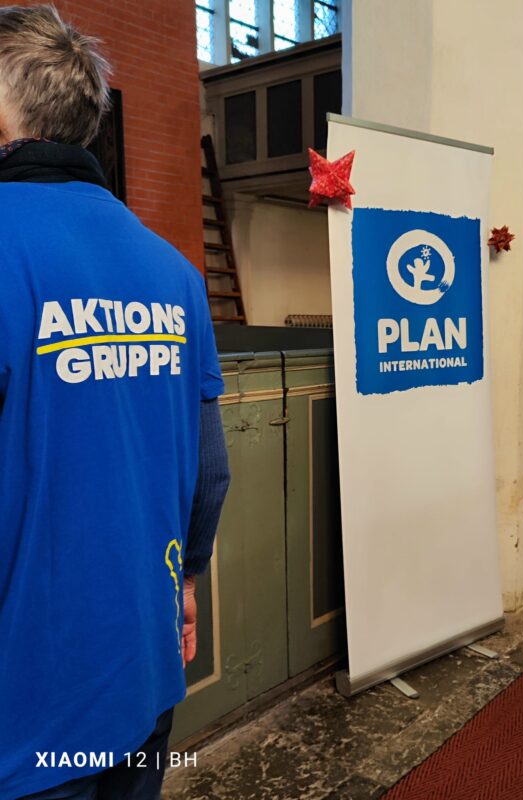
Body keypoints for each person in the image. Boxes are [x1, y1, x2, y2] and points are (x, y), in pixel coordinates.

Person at [0, 6, 230, 799]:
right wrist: (188, 583)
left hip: (24, 707)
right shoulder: (173, 274)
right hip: (142, 665)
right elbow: (210, 472)